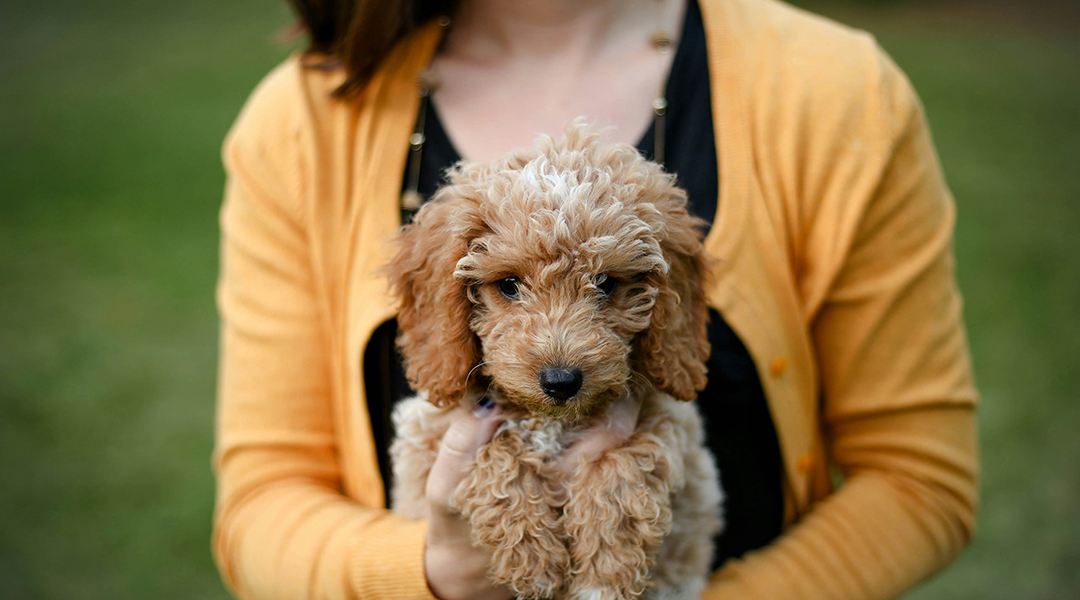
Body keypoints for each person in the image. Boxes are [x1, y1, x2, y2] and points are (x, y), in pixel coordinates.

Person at [212, 0, 980, 599]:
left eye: (611, 286)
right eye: (508, 286)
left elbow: (919, 482)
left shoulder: (839, 92)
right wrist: (433, 573)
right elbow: (257, 509)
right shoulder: (299, 126)